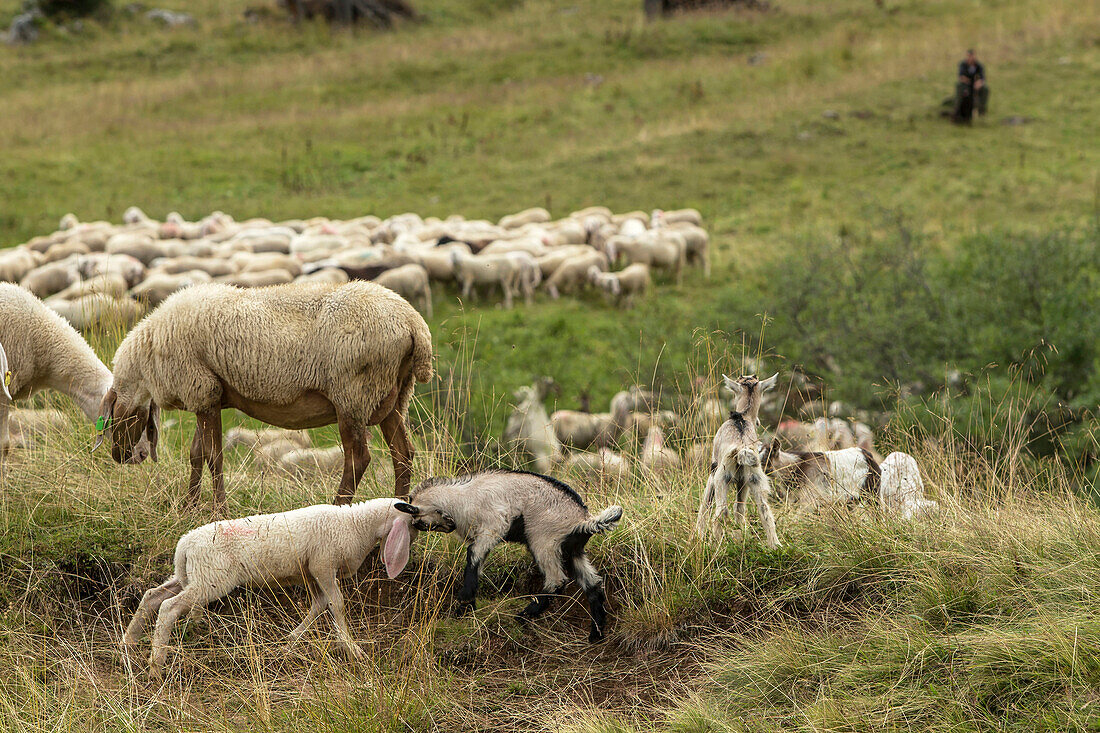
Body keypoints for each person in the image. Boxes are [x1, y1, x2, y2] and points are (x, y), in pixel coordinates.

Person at [952, 49, 989, 123]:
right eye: (969, 56)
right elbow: (961, 77)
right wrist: (969, 82)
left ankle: (981, 110)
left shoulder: (978, 65)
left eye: (972, 56)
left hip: (975, 85)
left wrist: (979, 83)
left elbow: (982, 78)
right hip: (965, 85)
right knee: (963, 90)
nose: (970, 58)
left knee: (985, 89)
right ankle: (957, 110)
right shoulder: (963, 64)